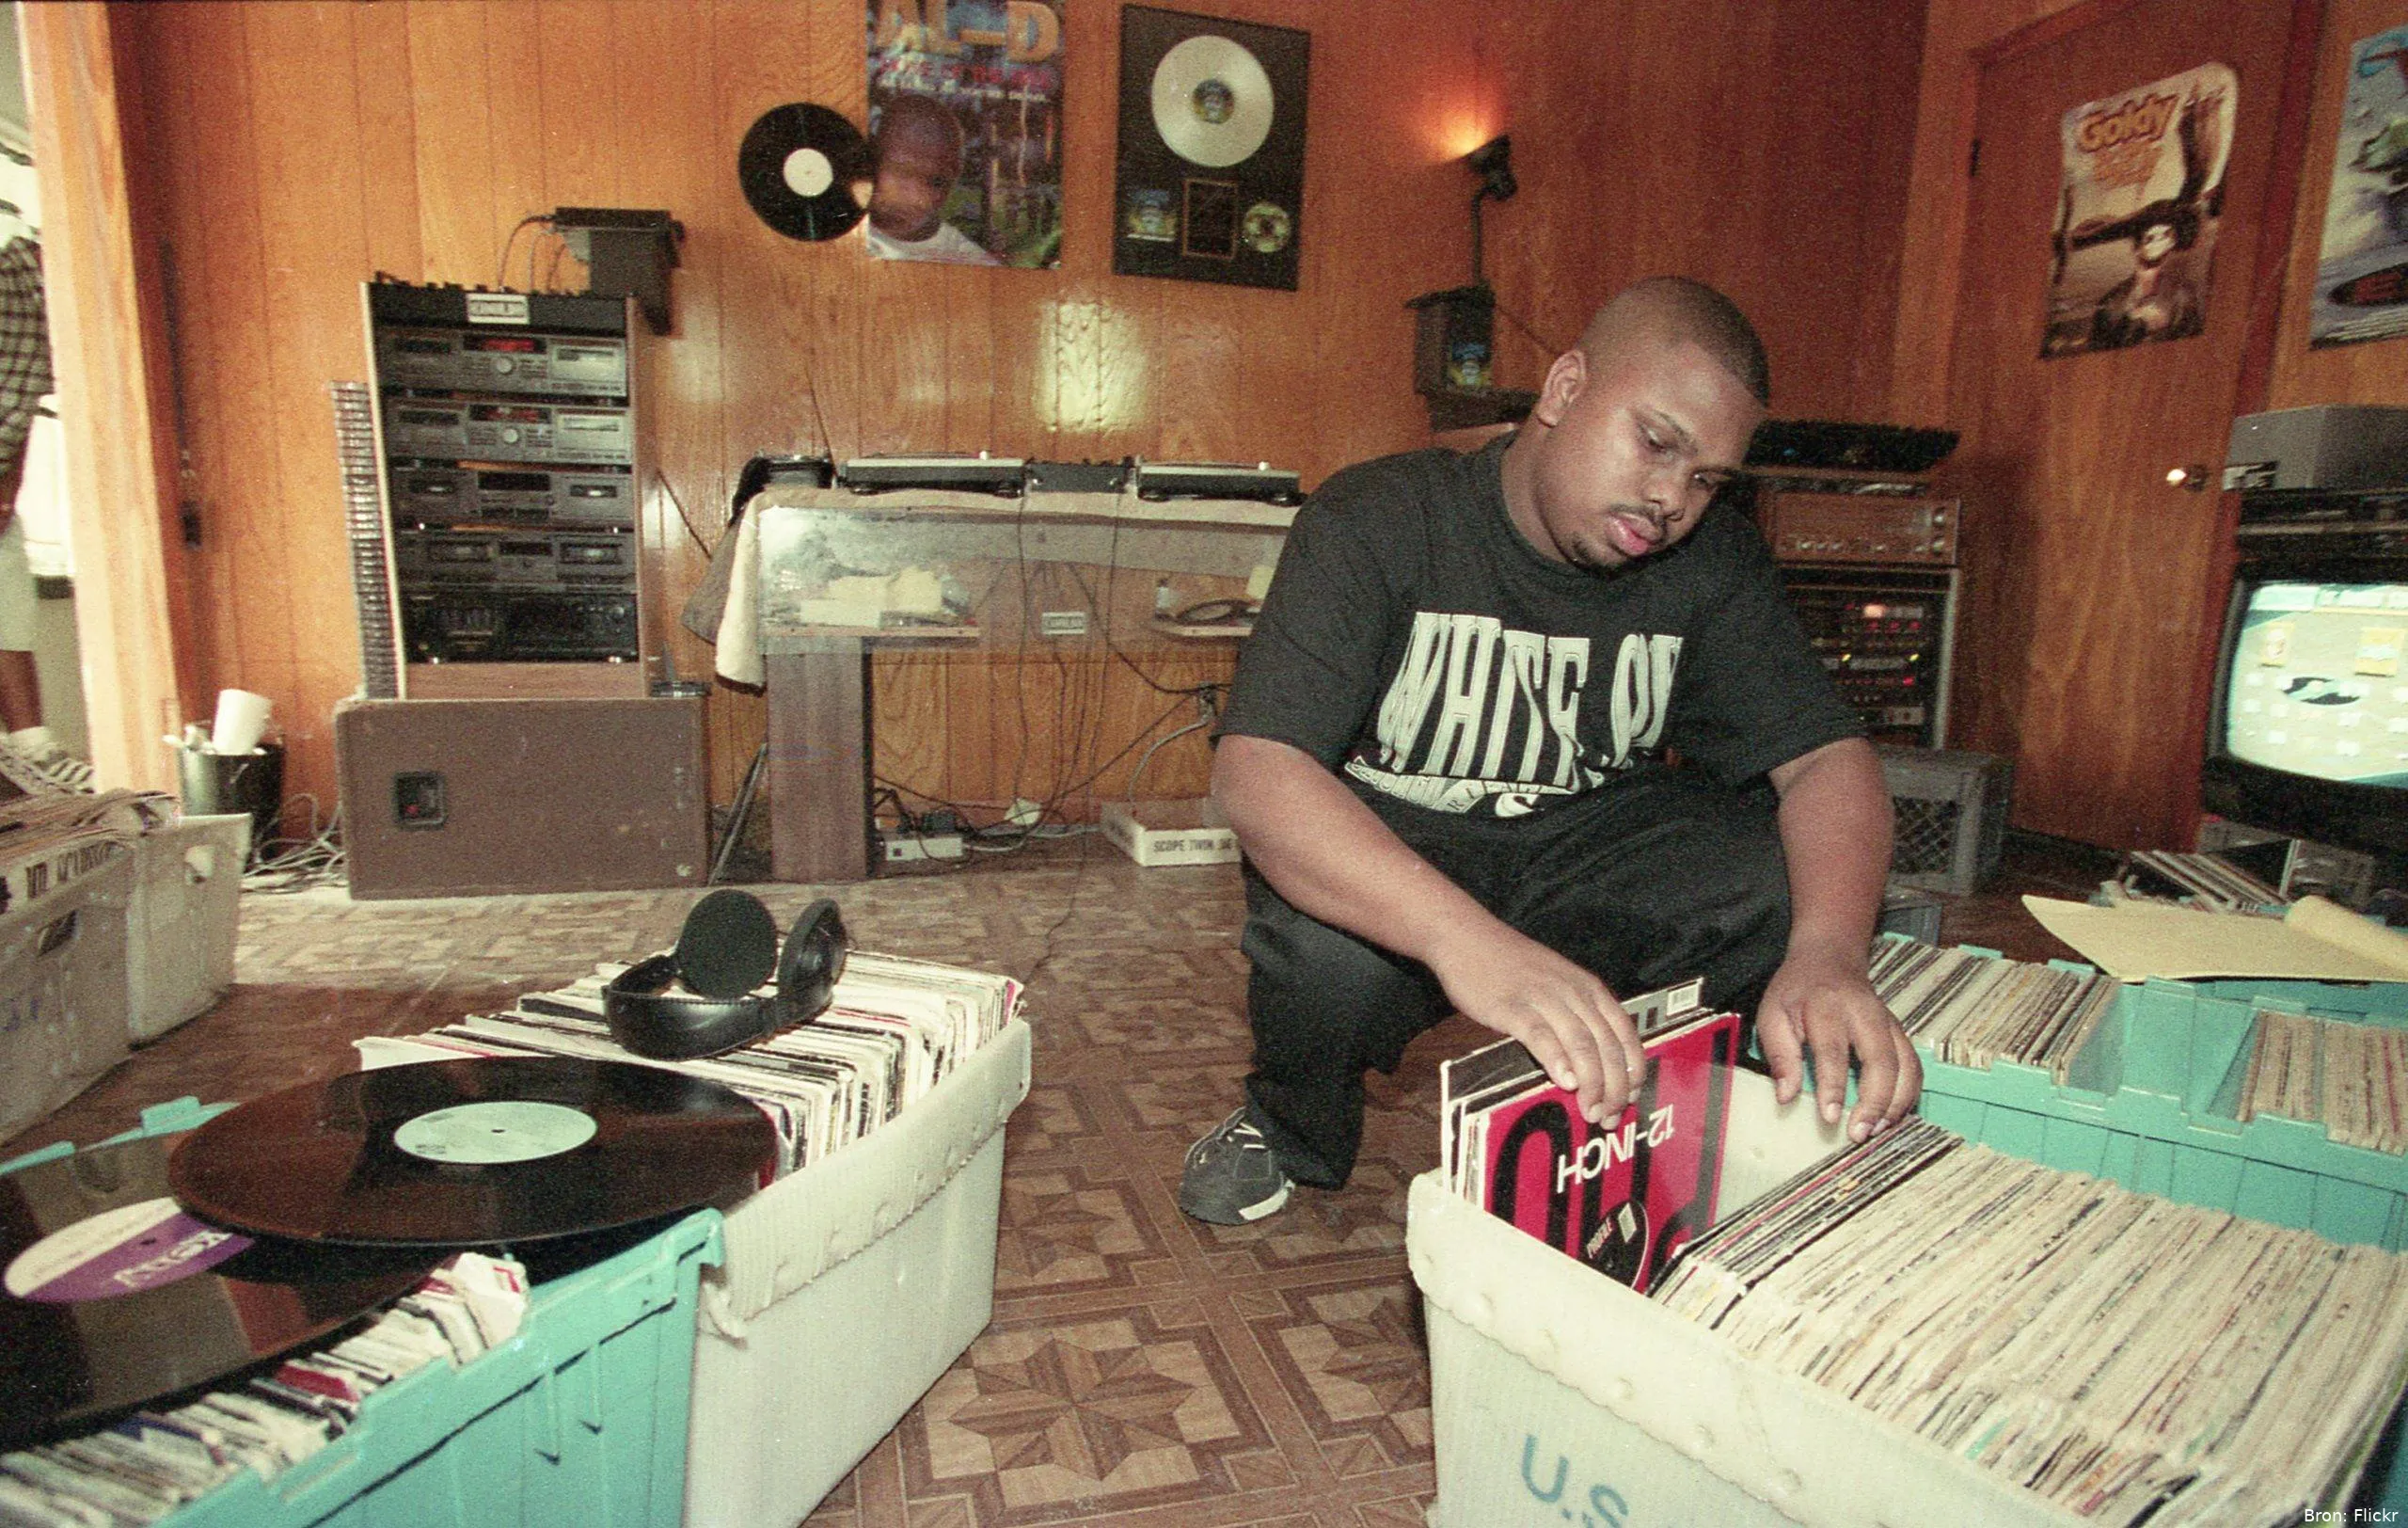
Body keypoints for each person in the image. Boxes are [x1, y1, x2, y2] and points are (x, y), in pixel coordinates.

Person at [1178, 276, 1921, 1226]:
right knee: (1320, 956)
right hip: (1399, 845)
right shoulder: (1378, 516)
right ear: (1564, 390)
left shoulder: (1711, 563)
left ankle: (1717, 1114)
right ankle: (1286, 1127)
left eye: (1706, 480)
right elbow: (1256, 768)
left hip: (1581, 846)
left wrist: (1827, 953)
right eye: (1656, 442)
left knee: (1776, 870)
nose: (1670, 499)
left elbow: (1827, 761)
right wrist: (1468, 942)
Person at [863, 93, 1001, 267]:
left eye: (935, 181)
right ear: (872, 158)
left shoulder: (973, 264)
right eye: (901, 171)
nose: (914, 194)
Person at [2087, 214, 2203, 350]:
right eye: (2150, 238)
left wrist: (2160, 327)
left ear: (2172, 243)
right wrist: (2132, 320)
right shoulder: (2111, 300)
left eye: (2166, 235)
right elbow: (2098, 347)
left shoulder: (2183, 291)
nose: (2159, 242)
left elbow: (2190, 342)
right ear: (2136, 249)